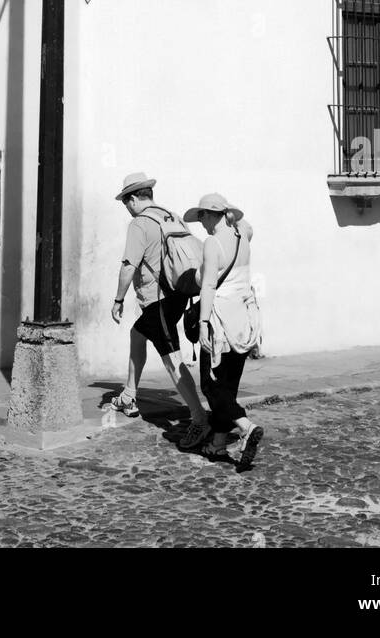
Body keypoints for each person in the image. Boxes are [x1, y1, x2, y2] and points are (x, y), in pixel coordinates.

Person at [109, 174, 210, 451]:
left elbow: (129, 265)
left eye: (126, 202)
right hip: (178, 294)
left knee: (171, 359)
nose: (126, 208)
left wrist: (118, 299)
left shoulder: (140, 223)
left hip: (158, 300)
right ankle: (129, 395)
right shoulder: (171, 216)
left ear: (133, 198)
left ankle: (200, 418)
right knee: (137, 333)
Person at [183, 192, 264, 469]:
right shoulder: (243, 232)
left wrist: (203, 323)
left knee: (210, 384)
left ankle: (245, 426)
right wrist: (233, 214)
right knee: (227, 385)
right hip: (245, 316)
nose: (201, 223)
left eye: (202, 216)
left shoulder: (212, 242)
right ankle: (218, 444)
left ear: (209, 214)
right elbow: (246, 223)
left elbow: (207, 286)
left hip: (220, 319)